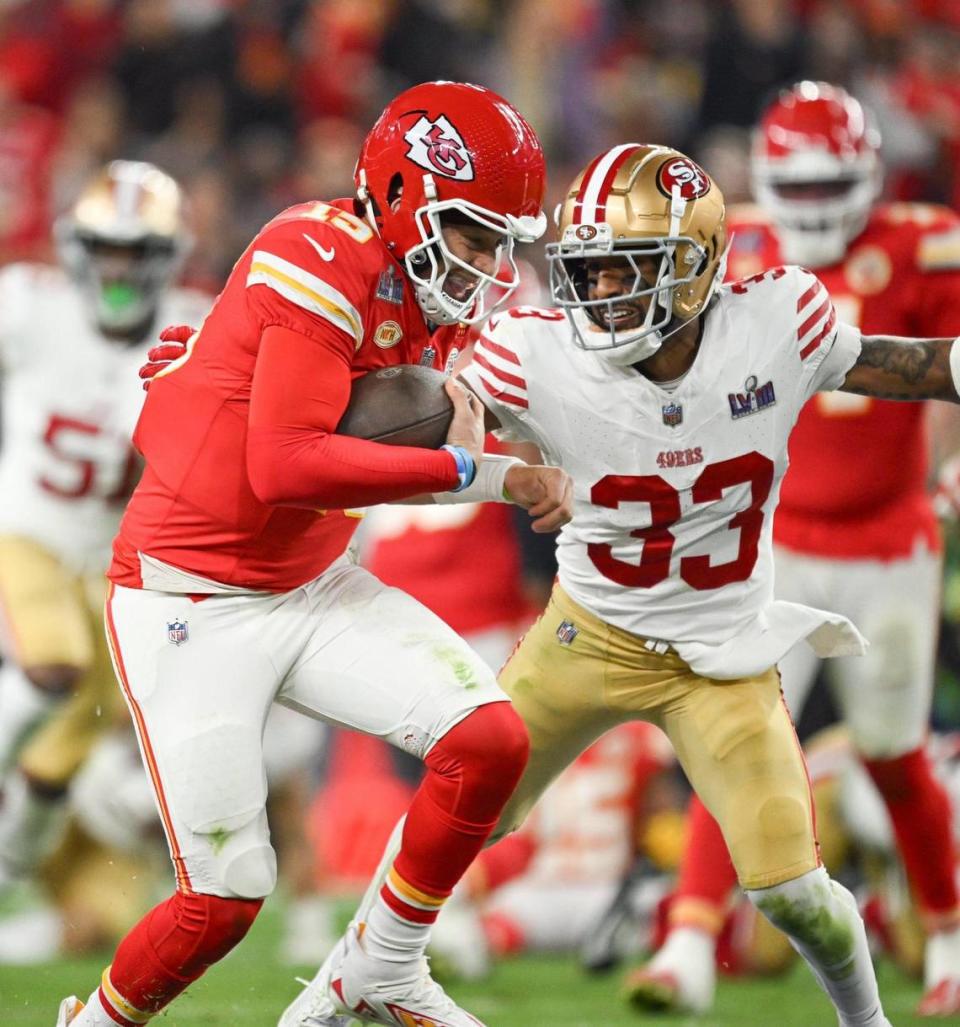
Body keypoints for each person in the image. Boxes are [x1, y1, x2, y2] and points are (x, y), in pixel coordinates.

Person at [283, 139, 960, 1027]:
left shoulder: (779, 324)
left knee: (792, 890)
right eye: (588, 271)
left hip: (722, 650)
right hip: (588, 632)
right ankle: (344, 988)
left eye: (625, 269)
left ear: (694, 269)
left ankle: (865, 1020)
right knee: (459, 807)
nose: (598, 294)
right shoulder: (538, 354)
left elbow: (894, 363)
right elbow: (425, 407)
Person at [55, 80, 572, 1027]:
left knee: (488, 741)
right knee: (222, 901)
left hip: (308, 581)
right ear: (404, 193)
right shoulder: (318, 252)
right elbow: (288, 465)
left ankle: (375, 972)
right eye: (474, 232)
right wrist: (485, 472)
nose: (490, 260)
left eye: (502, 239)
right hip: (190, 598)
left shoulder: (421, 286)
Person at [633, 82, 960, 1019]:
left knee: (896, 755)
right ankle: (691, 939)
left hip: (891, 539)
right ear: (765, 182)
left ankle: (947, 938)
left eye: (830, 187)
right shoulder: (731, 248)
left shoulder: (920, 240)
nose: (813, 210)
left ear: (868, 178)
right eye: (796, 188)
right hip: (770, 538)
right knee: (730, 731)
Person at [0, 160, 209, 897]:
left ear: (168, 257)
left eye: (137, 252)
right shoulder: (27, 306)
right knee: (52, 665)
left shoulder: (199, 327)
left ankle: (12, 866)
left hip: (119, 561)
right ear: (76, 249)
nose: (119, 267)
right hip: (29, 533)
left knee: (71, 740)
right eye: (106, 249)